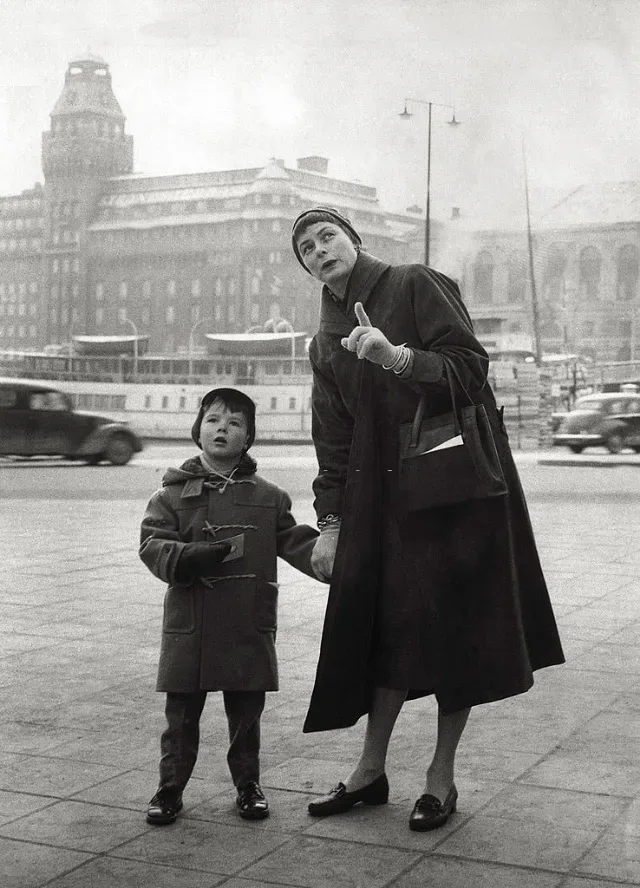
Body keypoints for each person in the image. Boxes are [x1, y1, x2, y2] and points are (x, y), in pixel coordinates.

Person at [292, 206, 565, 831]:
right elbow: (330, 436)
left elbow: (471, 369)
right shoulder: (322, 342)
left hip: (448, 490)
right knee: (385, 627)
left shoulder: (416, 283)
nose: (319, 249)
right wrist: (330, 522)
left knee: (454, 629)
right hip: (378, 499)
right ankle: (370, 772)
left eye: (328, 235)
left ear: (354, 241)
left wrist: (398, 358)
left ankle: (441, 778)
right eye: (306, 246)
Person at [139, 387, 318, 825]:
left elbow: (295, 542)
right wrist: (185, 557)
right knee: (180, 716)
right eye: (214, 420)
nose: (223, 428)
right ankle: (169, 788)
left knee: (246, 715)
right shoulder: (172, 494)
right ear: (198, 430)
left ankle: (248, 785)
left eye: (236, 423)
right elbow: (151, 544)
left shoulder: (268, 496)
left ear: (249, 437)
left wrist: (334, 559)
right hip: (192, 623)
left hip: (245, 620)